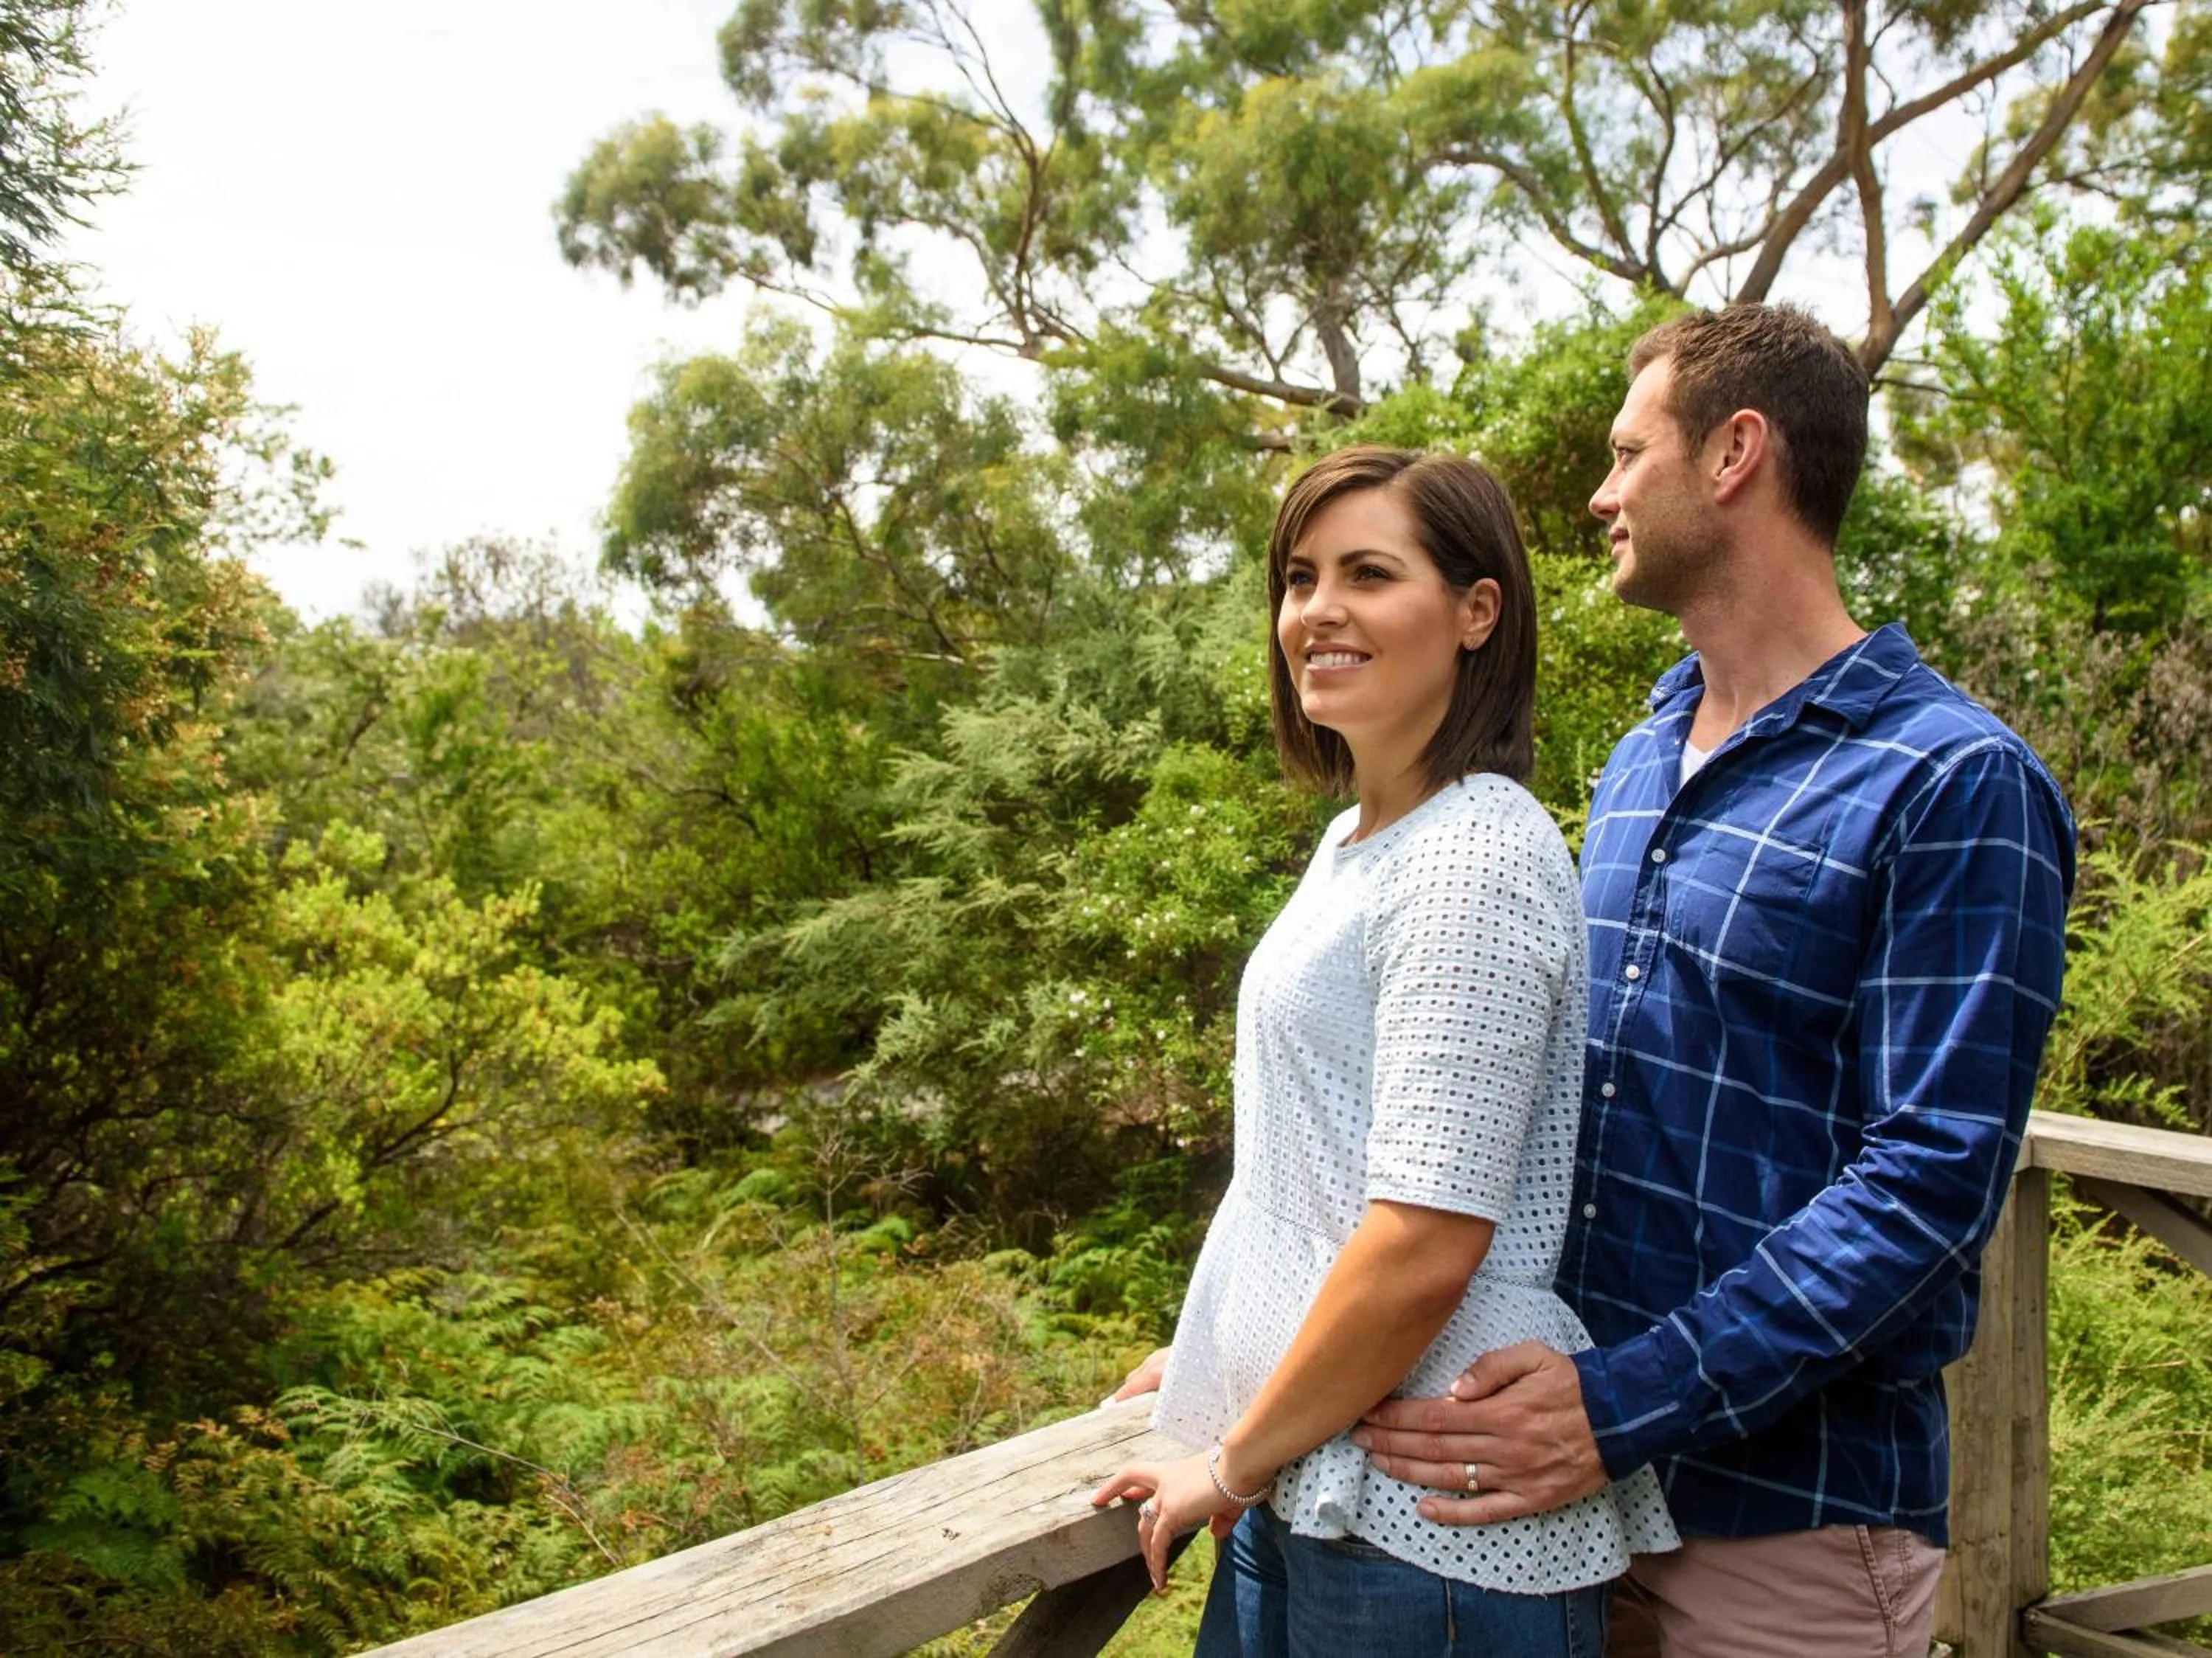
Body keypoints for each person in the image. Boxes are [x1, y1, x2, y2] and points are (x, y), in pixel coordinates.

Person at [1353, 305, 2076, 1657]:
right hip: (1570, 1499)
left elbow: (1927, 1185)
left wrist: (1623, 1400)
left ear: (1737, 452)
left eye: (1631, 454)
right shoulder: (1641, 755)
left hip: (1784, 1526)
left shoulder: (1953, 782)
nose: (1600, 489)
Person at [1092, 445, 1675, 1657]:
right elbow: (1311, 1171)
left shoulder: (1474, 855)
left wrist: (1235, 1459)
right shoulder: (1362, 840)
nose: (1318, 611)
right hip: (1313, 1459)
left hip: (1431, 1526)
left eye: (1368, 572)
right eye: (1300, 578)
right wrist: (1224, 1348)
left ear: (1477, 613)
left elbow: (1424, 1239)